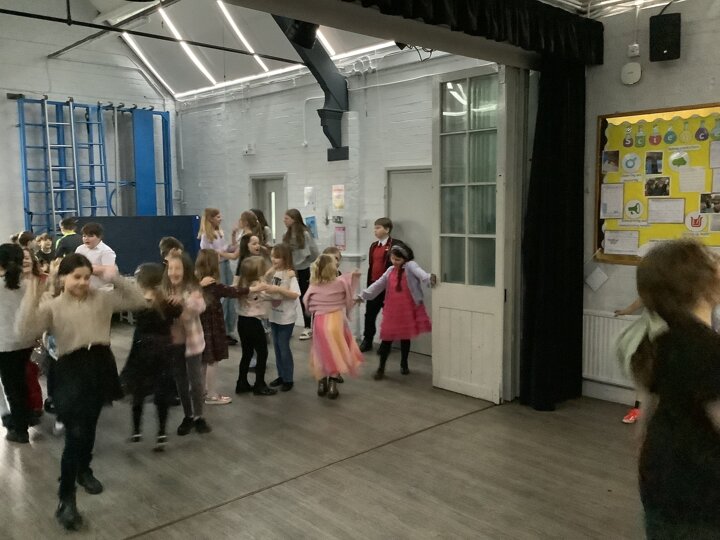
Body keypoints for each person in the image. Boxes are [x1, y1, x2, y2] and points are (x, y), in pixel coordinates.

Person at [16, 253, 145, 531]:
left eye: (87, 277)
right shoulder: (52, 305)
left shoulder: (102, 298)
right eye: (77, 277)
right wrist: (33, 295)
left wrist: (113, 277)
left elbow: (139, 301)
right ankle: (66, 498)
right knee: (75, 434)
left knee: (89, 425)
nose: (83, 282)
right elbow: (25, 331)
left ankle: (84, 470)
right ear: (63, 277)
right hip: (70, 369)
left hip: (100, 364)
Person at [623, 239, 720, 538]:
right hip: (700, 488)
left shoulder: (661, 341)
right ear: (703, 286)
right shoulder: (709, 349)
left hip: (659, 475)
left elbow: (644, 418)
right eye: (712, 260)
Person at [121, 264, 182, 451]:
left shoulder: (140, 302)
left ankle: (136, 431)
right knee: (161, 393)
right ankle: (161, 434)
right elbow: (178, 312)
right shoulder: (167, 302)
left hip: (142, 350)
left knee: (138, 392)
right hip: (163, 350)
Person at [358, 243, 435, 380]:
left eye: (398, 259)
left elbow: (422, 274)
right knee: (386, 338)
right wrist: (363, 295)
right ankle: (381, 367)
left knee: (405, 337)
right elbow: (378, 284)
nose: (394, 262)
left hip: (407, 308)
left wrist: (429, 278)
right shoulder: (390, 270)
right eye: (392, 258)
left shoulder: (411, 266)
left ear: (405, 259)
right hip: (392, 309)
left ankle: (404, 363)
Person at [195, 249, 261, 405]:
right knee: (212, 361)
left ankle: (201, 391)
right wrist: (254, 289)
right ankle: (211, 395)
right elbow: (233, 291)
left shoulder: (197, 282)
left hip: (200, 327)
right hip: (211, 328)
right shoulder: (211, 284)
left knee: (203, 361)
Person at [162, 252, 211, 436]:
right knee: (181, 381)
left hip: (192, 343)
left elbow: (200, 307)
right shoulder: (165, 290)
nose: (173, 272)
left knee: (196, 381)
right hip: (175, 344)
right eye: (171, 268)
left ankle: (199, 416)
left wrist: (182, 301)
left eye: (178, 268)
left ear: (186, 270)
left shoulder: (193, 289)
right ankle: (188, 415)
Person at [304, 254, 363, 399]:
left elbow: (306, 302)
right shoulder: (340, 283)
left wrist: (313, 310)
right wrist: (354, 274)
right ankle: (332, 386)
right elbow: (348, 295)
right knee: (336, 352)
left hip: (319, 321)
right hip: (337, 321)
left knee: (320, 352)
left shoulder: (314, 285)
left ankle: (321, 383)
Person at [0, 243, 37, 443]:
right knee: (21, 383)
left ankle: (20, 430)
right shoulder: (28, 285)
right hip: (25, 341)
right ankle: (26, 417)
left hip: (4, 344)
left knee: (12, 388)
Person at [234, 256, 276, 396]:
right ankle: (259, 384)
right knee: (262, 353)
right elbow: (272, 296)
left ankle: (241, 382)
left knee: (246, 353)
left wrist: (273, 269)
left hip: (242, 321)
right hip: (254, 322)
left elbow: (265, 276)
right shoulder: (259, 286)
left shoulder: (242, 284)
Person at [359, 218, 402, 352]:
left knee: (389, 316)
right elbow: (371, 266)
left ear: (387, 229)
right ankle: (367, 340)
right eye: (375, 227)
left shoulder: (396, 245)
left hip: (389, 288)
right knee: (369, 315)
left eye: (378, 228)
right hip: (374, 286)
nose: (375, 230)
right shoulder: (374, 246)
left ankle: (386, 344)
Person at [198, 208, 239, 345]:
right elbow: (210, 254)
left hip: (225, 264)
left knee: (230, 296)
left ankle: (229, 329)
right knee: (222, 299)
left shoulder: (220, 233)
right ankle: (222, 331)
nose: (220, 219)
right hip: (217, 267)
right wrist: (227, 254)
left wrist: (234, 236)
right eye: (217, 217)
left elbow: (227, 248)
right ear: (210, 218)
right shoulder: (206, 236)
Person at [266, 244, 301, 392]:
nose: (274, 259)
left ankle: (288, 378)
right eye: (272, 256)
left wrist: (278, 289)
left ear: (285, 258)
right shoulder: (273, 272)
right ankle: (281, 375)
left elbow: (295, 294)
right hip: (274, 315)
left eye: (277, 257)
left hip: (286, 317)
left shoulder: (290, 274)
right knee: (277, 348)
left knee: (284, 347)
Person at [283, 209, 319, 341]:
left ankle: (308, 326)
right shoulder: (286, 235)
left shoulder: (305, 234)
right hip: (289, 270)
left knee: (305, 298)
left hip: (303, 270)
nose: (284, 221)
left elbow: (314, 253)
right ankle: (287, 325)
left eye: (286, 218)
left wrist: (304, 262)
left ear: (294, 219)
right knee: (287, 297)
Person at [615, 297, 645, 424]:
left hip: (669, 333)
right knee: (643, 373)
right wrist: (626, 311)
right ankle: (638, 410)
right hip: (648, 332)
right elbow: (641, 300)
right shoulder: (651, 288)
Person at [75, 222, 116, 290]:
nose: (86, 238)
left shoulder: (107, 251)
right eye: (84, 236)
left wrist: (87, 268)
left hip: (102, 290)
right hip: (84, 289)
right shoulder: (79, 249)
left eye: (90, 236)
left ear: (99, 237)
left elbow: (109, 273)